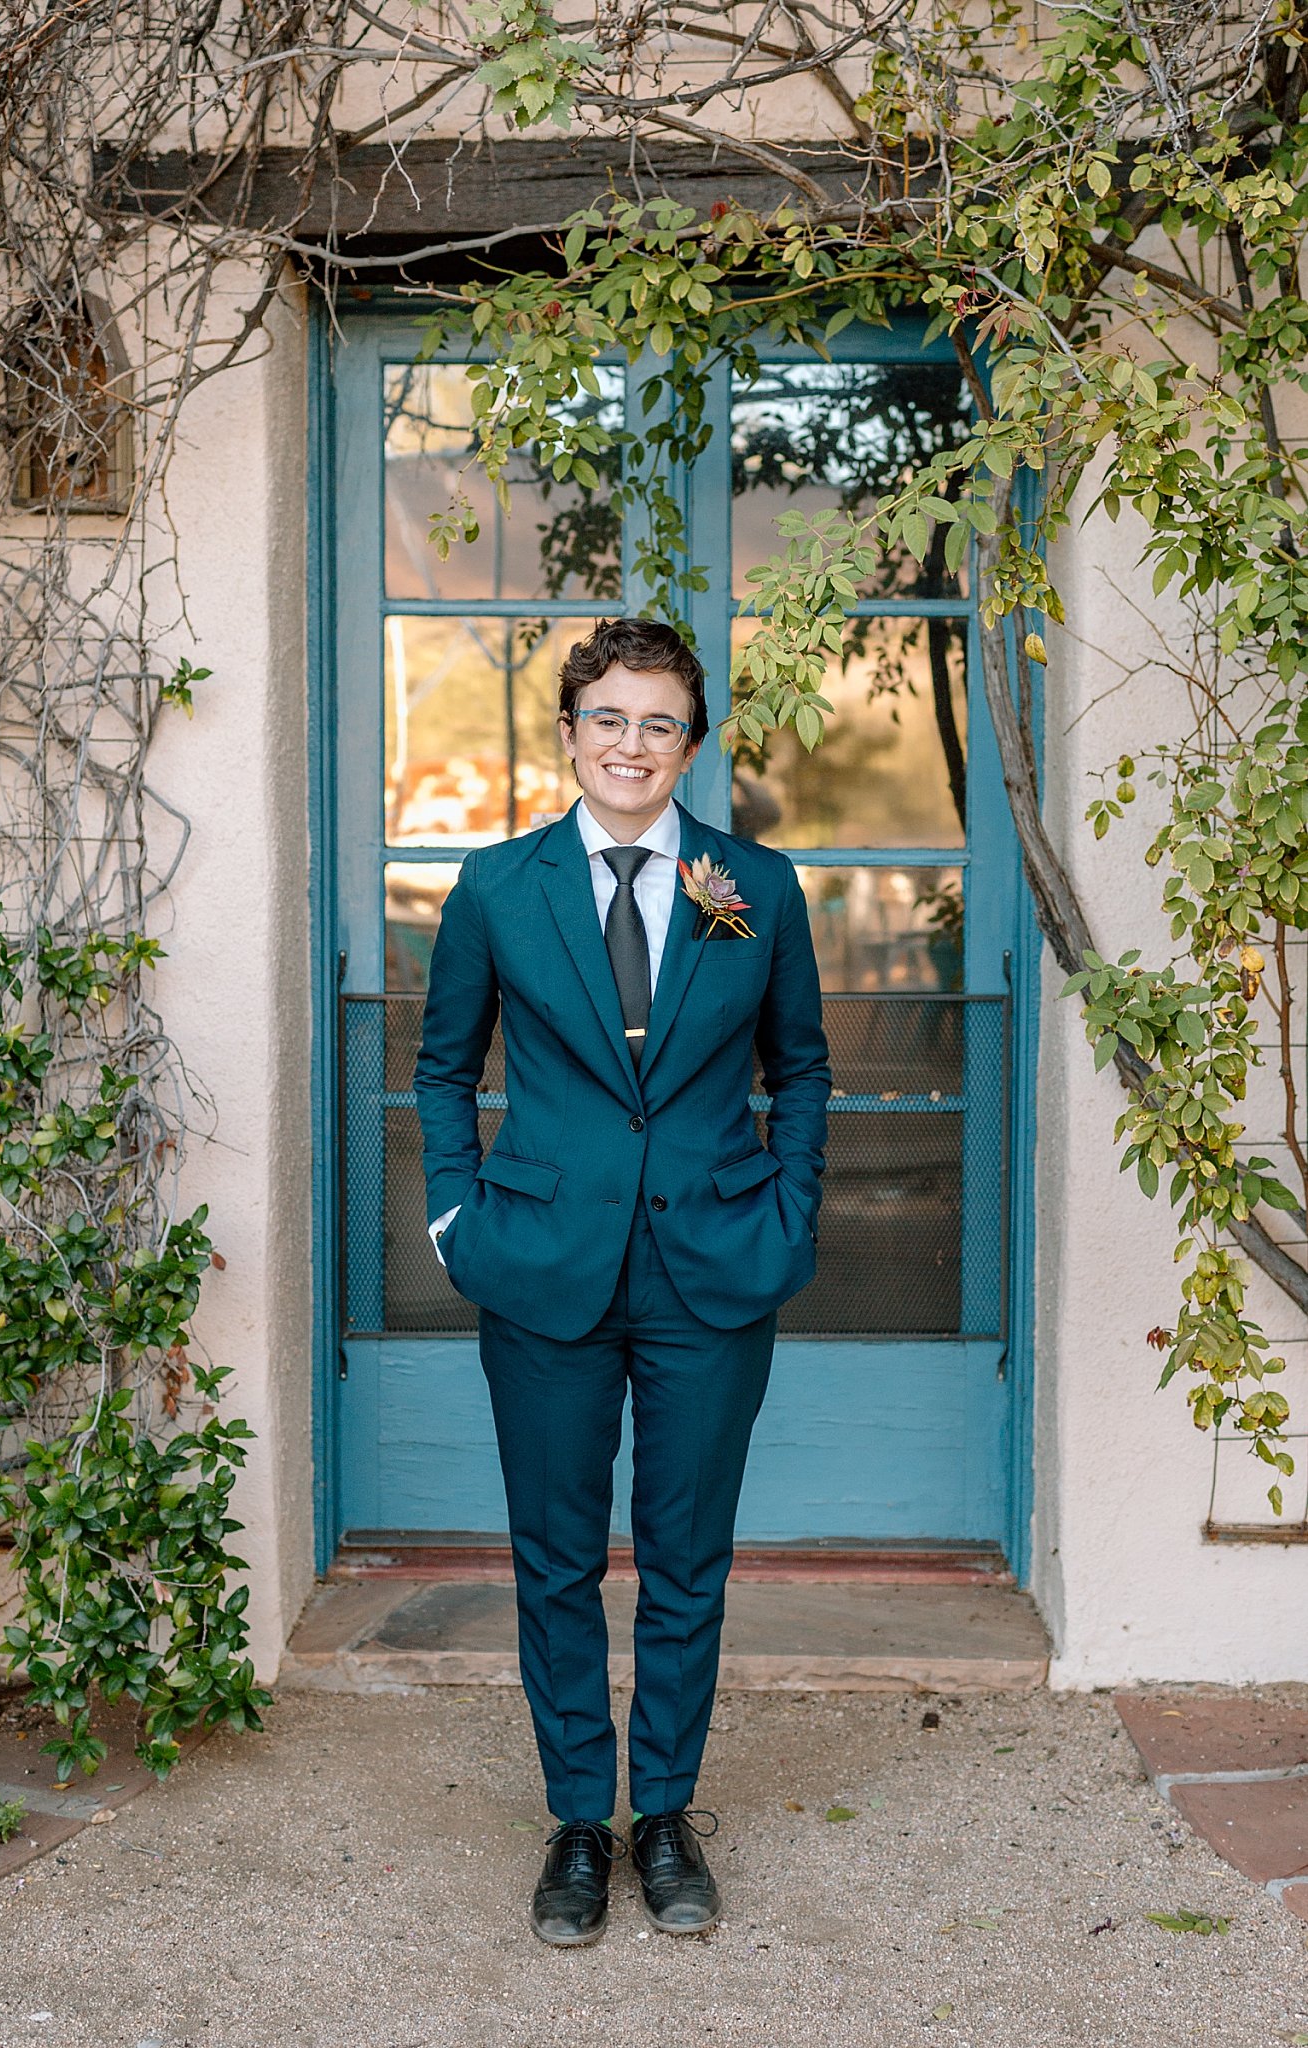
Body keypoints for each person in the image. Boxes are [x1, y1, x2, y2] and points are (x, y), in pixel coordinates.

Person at [415, 617, 830, 1946]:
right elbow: (441, 1069)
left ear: (689, 743)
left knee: (685, 1560)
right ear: (570, 734)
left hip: (713, 1266)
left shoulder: (755, 885)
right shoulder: (495, 886)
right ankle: (575, 1827)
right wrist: (451, 1217)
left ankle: (663, 1816)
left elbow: (802, 1068)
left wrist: (791, 1211)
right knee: (551, 1562)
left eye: (657, 722)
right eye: (608, 718)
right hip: (539, 1265)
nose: (631, 744)